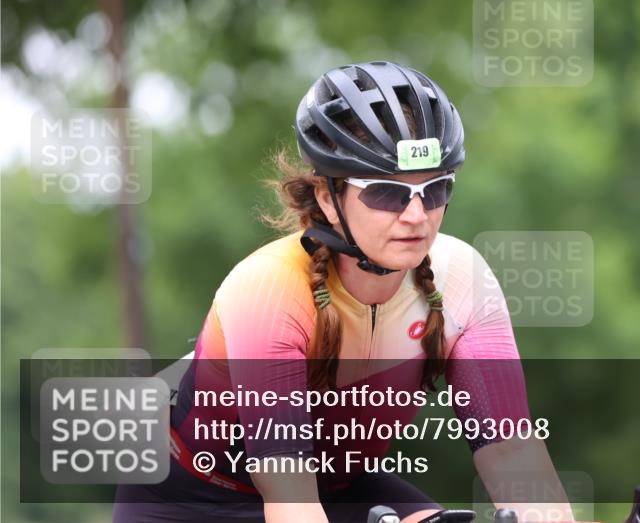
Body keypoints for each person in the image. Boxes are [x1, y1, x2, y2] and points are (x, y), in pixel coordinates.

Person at [113, 61, 572, 523]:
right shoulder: (269, 288)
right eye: (386, 194)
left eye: (435, 190)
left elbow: (512, 453)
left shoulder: (462, 278)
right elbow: (290, 497)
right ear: (329, 198)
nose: (416, 216)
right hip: (186, 499)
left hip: (338, 486)